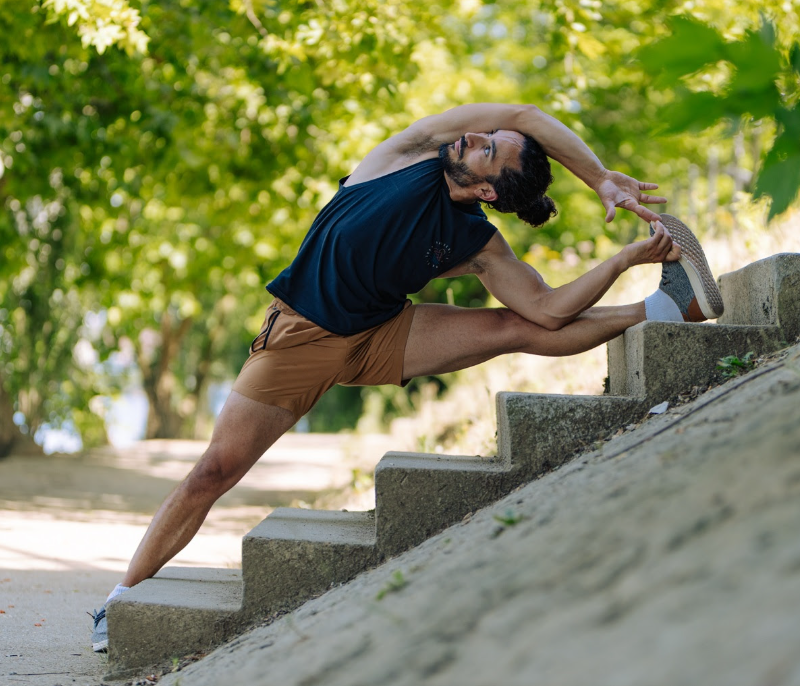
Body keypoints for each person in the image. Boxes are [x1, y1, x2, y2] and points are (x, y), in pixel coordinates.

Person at [90, 103, 723, 651]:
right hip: (301, 338)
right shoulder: (405, 155)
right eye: (483, 136)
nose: (475, 137)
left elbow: (548, 309)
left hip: (383, 334)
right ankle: (121, 602)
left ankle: (671, 307)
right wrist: (600, 179)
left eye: (488, 150)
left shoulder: (477, 242)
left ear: (486, 193)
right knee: (214, 473)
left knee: (518, 330)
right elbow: (527, 118)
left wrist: (625, 259)